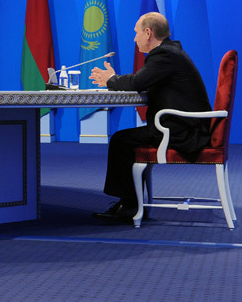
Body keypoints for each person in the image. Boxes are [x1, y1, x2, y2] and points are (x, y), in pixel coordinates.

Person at [88, 12, 211, 223]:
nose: (134, 39)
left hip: (183, 131)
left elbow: (136, 82)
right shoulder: (170, 52)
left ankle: (129, 205)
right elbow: (142, 80)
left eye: (136, 33)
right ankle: (130, 201)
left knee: (121, 141)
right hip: (183, 126)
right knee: (123, 139)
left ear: (148, 32)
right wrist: (116, 79)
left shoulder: (165, 55)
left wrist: (111, 79)